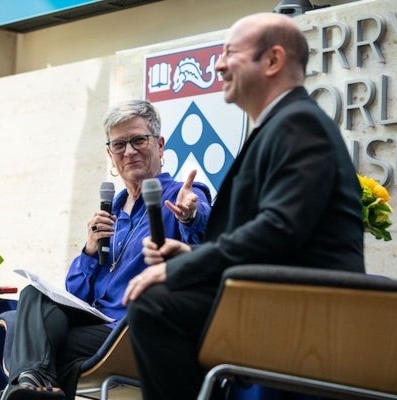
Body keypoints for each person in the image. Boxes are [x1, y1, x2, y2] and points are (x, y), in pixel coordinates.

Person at [122, 12, 365, 400]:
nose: (217, 64)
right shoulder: (284, 124)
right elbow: (270, 232)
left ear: (272, 61)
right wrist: (191, 253)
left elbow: (279, 229)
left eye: (230, 53)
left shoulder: (299, 123)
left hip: (306, 306)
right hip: (272, 294)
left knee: (155, 306)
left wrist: (184, 267)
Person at [1, 99, 212, 400]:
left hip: (133, 328)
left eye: (139, 140)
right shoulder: (110, 210)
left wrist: (190, 215)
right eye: (119, 145)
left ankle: (29, 382)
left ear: (160, 145)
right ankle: (35, 383)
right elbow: (75, 294)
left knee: (32, 338)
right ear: (110, 154)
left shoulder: (180, 195)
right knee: (33, 295)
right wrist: (89, 251)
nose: (129, 151)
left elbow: (202, 233)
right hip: (96, 323)